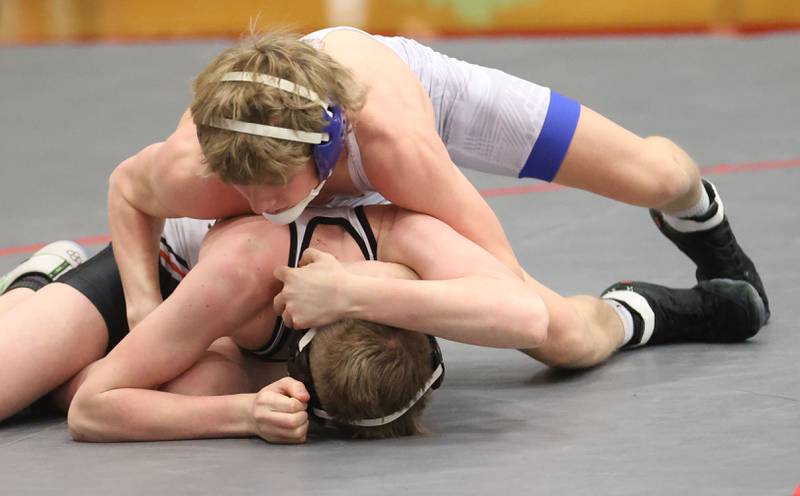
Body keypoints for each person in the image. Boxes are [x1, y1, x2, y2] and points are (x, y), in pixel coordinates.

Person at [108, 27, 769, 366]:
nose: (252, 202)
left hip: (429, 98)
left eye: (270, 185)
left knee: (648, 186)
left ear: (327, 149)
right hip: (320, 130)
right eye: (239, 182)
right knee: (571, 334)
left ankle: (703, 222)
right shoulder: (197, 162)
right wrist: (142, 310)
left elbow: (504, 282)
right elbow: (127, 191)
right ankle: (642, 312)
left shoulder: (396, 148)